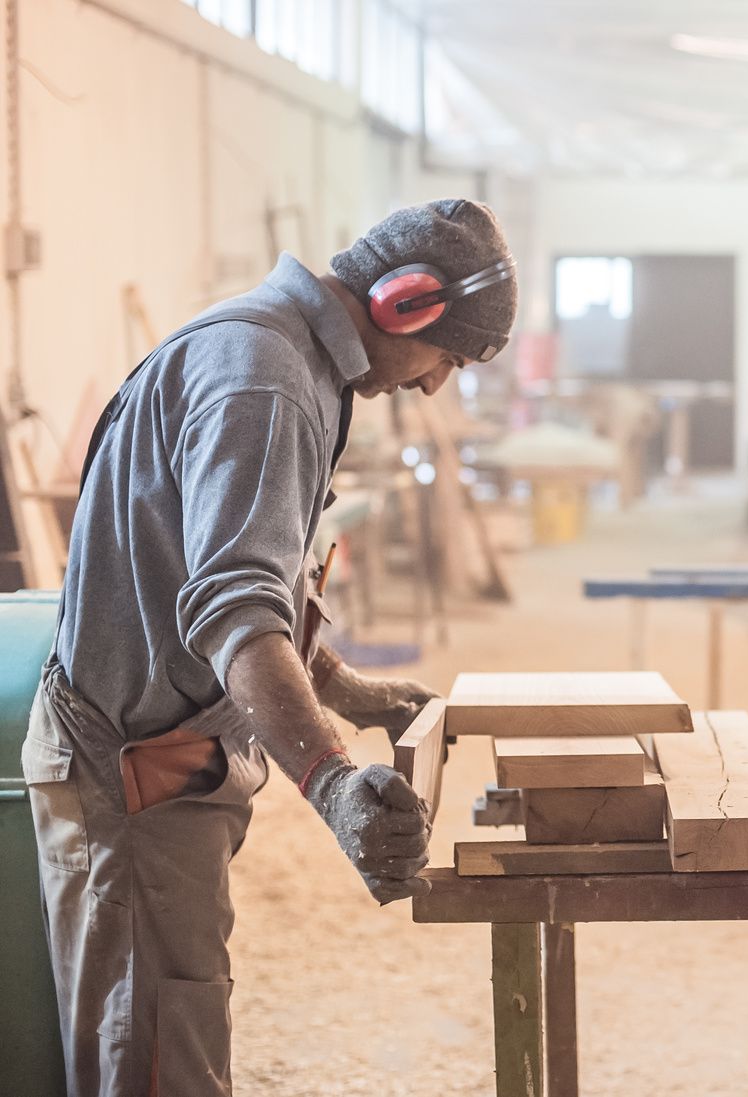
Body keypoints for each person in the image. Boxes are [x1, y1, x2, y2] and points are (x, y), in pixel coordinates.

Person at [25, 199, 518, 1097]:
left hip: (160, 751)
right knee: (155, 1055)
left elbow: (233, 563)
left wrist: (343, 686)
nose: (436, 384)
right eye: (450, 356)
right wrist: (330, 782)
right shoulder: (268, 377)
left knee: (171, 1023)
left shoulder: (287, 355)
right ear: (405, 303)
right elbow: (231, 608)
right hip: (132, 764)